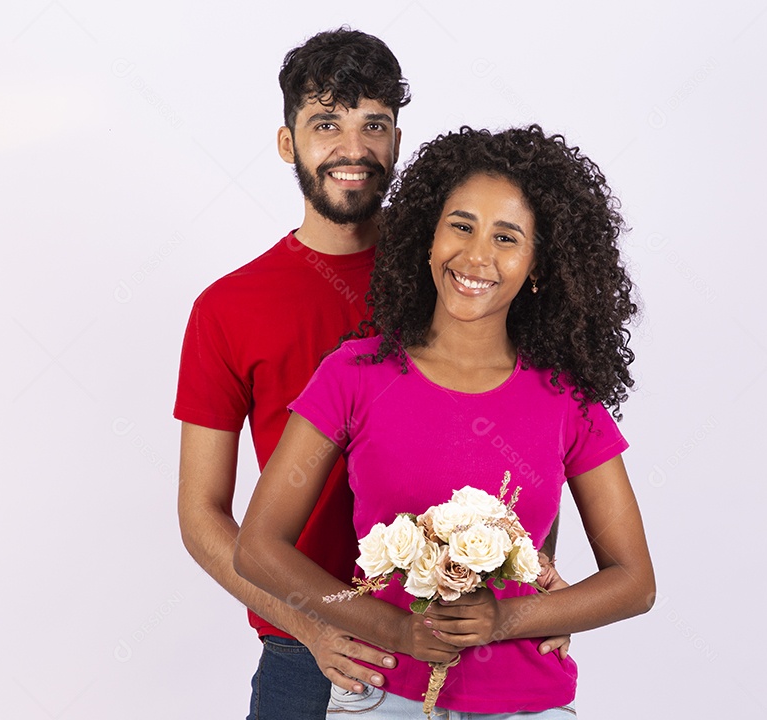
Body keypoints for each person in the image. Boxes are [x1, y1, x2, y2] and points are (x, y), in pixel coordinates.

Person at [235, 125, 656, 716]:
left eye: (506, 237)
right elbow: (257, 549)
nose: (476, 255)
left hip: (527, 701)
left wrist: (513, 616)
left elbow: (634, 581)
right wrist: (389, 627)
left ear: (537, 265)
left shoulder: (566, 398)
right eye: (461, 225)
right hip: (383, 694)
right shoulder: (354, 375)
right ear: (427, 238)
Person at [174, 28, 409, 720]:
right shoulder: (227, 308)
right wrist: (311, 624)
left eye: (374, 124)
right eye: (326, 123)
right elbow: (200, 514)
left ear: (396, 141)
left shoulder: (454, 277)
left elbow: (533, 425)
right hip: (300, 663)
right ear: (289, 144)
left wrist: (530, 594)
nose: (353, 148)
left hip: (444, 649)